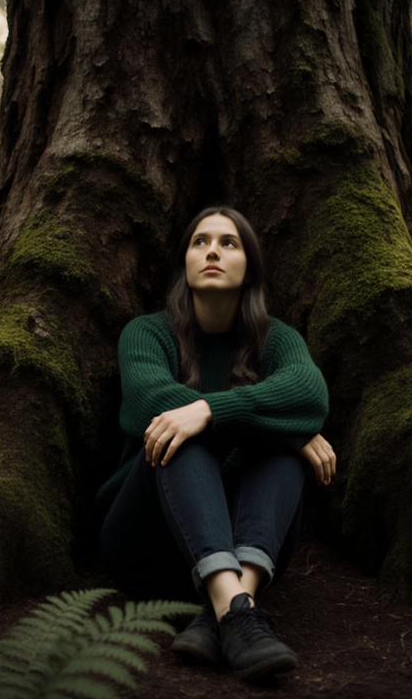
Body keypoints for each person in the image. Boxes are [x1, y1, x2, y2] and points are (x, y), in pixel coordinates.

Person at [98, 206, 336, 682]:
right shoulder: (146, 334)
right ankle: (242, 613)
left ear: (249, 267)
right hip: (146, 541)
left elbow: (311, 393)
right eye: (199, 242)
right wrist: (280, 420)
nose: (212, 250)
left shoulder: (277, 339)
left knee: (276, 449)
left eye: (228, 243)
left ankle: (227, 608)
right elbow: (153, 403)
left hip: (251, 542)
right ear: (185, 262)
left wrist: (208, 411)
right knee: (175, 434)